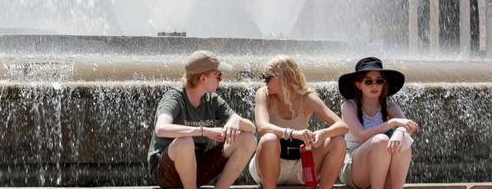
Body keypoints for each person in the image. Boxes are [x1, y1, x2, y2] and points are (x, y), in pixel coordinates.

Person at [147, 50, 257, 189]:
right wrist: (204, 131)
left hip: (197, 166)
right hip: (167, 171)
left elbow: (251, 128)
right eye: (218, 76)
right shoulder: (175, 97)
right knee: (185, 141)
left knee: (248, 139)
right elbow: (161, 129)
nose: (221, 80)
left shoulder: (212, 100)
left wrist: (235, 120)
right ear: (203, 78)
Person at [249, 55, 348, 189]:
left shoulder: (307, 98)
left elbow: (342, 126)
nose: (264, 81)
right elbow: (262, 127)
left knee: (339, 142)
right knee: (269, 140)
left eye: (268, 77)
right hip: (269, 167)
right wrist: (293, 133)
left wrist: (322, 134)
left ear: (284, 77)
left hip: (301, 166)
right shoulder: (263, 94)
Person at [338, 57, 419, 189]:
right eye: (368, 81)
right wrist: (392, 123)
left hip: (382, 167)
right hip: (355, 167)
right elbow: (362, 136)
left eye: (379, 81)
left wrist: (399, 131)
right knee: (381, 141)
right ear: (359, 84)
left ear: (383, 84)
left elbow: (409, 126)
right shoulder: (349, 106)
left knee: (404, 140)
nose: (374, 85)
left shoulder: (390, 106)